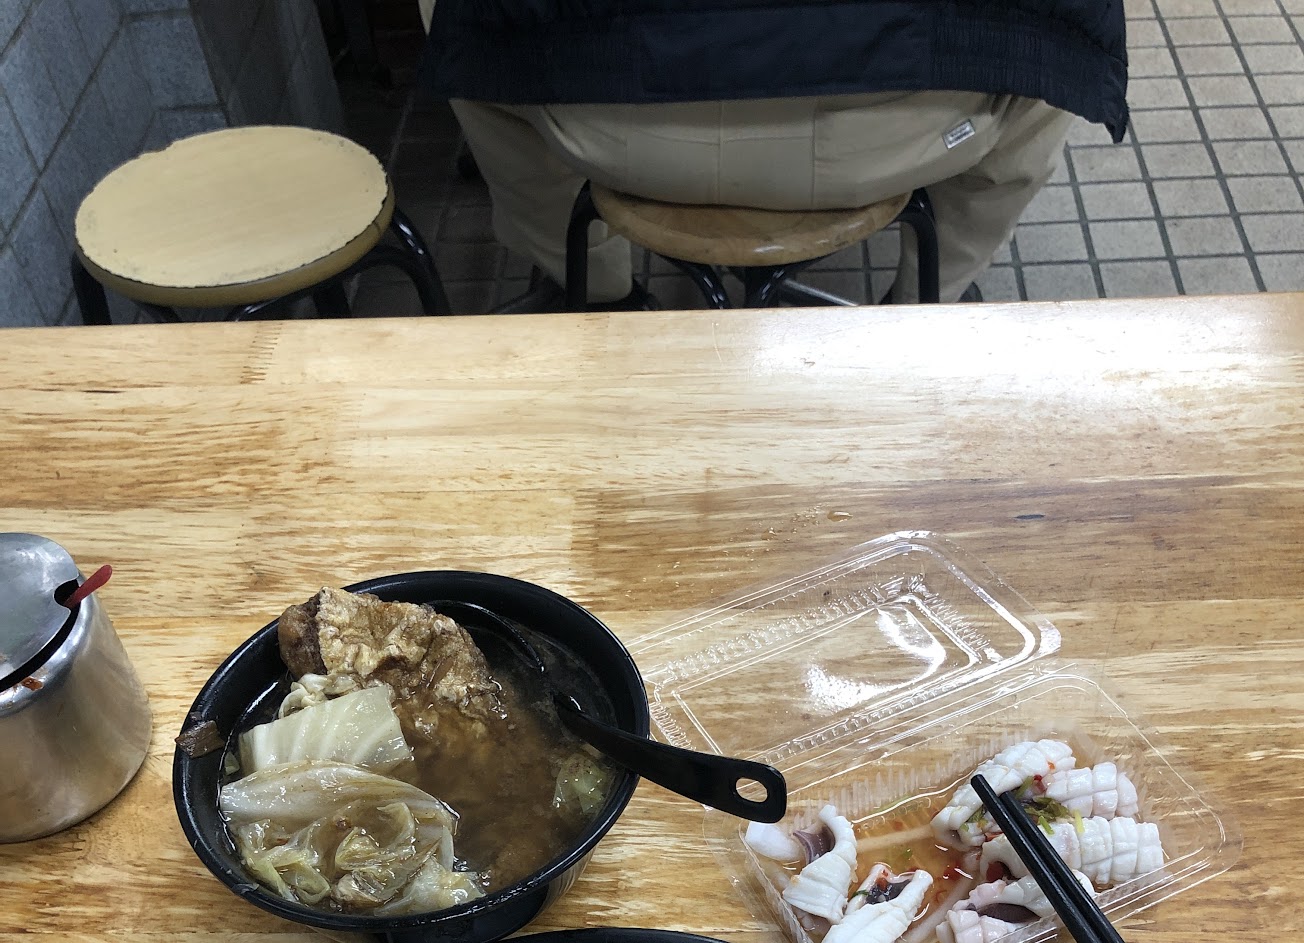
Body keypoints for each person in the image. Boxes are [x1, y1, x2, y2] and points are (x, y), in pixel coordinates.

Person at [421, 1, 1128, 306]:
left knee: (473, 56)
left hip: (614, 130)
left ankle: (598, 289)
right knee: (1045, 77)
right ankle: (931, 294)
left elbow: (468, 35)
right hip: (900, 133)